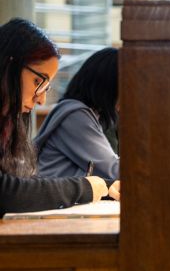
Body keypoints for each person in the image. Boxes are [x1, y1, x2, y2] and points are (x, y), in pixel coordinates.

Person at [0, 18, 119, 216]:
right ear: (8, 64)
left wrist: (104, 187)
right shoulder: (76, 115)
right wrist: (87, 188)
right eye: (38, 81)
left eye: (46, 86)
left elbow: (22, 181)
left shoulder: (9, 124)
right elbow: (6, 192)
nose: (42, 99)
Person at [36, 47, 120, 181]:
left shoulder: (88, 113)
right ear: (109, 87)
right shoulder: (75, 116)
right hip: (53, 199)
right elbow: (112, 170)